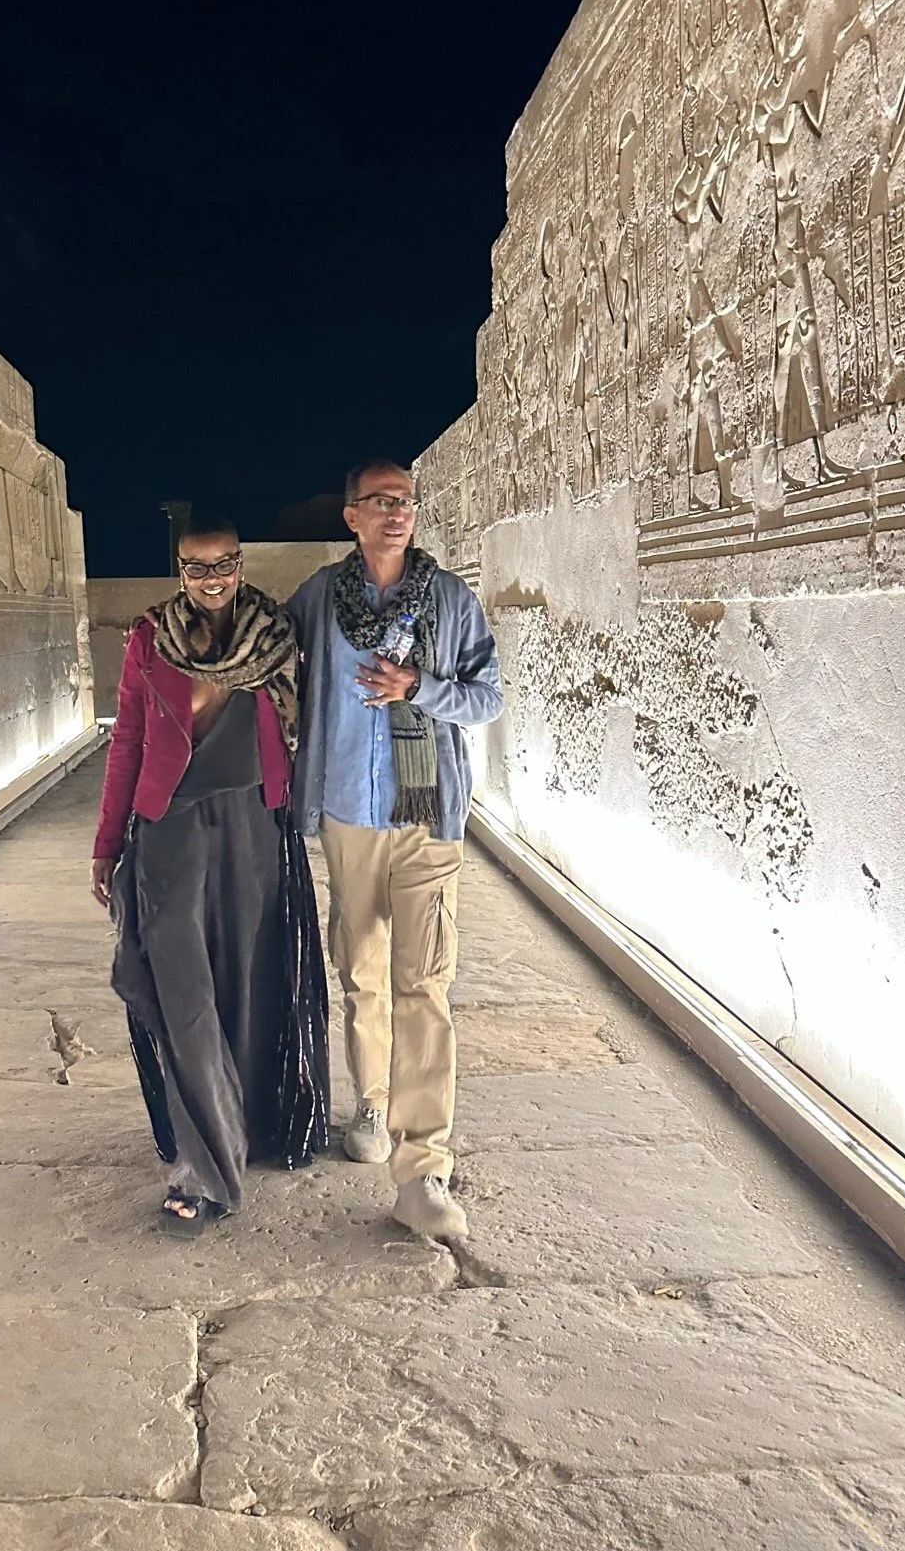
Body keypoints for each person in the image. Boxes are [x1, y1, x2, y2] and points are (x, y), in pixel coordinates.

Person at [92, 515, 329, 1230]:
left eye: (223, 563)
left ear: (241, 563)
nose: (212, 578)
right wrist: (108, 842)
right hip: (168, 826)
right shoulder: (148, 637)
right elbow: (128, 738)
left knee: (248, 984)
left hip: (254, 822)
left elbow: (312, 720)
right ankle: (202, 1168)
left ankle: (243, 1124)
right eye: (196, 567)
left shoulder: (276, 633)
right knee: (180, 991)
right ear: (179, 570)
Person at [287, 461, 502, 1240]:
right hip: (348, 810)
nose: (397, 513)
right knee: (361, 972)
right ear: (351, 515)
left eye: (406, 501)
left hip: (425, 815)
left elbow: (488, 694)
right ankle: (370, 1101)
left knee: (424, 983)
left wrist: (418, 687)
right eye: (381, 502)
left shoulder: (448, 600)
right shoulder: (320, 600)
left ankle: (423, 1168)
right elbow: (270, 662)